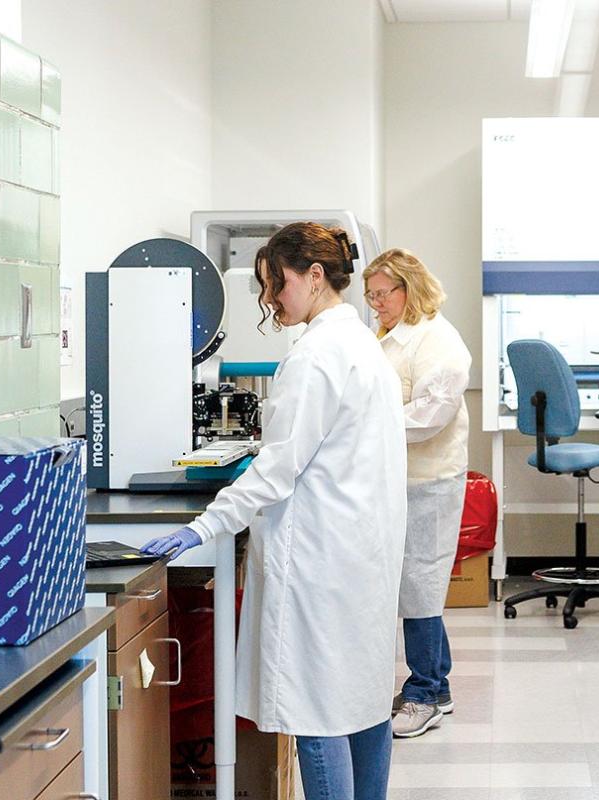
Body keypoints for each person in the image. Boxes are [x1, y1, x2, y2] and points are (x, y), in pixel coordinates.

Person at [142, 223, 407, 800]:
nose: (270, 300)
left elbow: (276, 468)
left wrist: (203, 525)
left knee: (314, 713)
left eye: (277, 284)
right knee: (363, 705)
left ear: (315, 276)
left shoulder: (315, 356)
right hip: (361, 555)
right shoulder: (364, 343)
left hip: (320, 562)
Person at [362, 248, 472, 739]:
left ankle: (425, 691)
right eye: (371, 295)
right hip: (400, 477)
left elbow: (432, 414)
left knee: (421, 585)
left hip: (429, 479)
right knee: (413, 584)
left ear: (409, 289)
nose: (376, 303)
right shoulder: (389, 336)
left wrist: (367, 426)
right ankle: (435, 683)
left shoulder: (439, 340)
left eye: (383, 294)